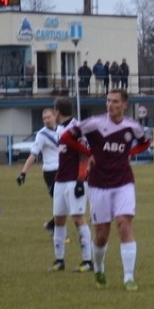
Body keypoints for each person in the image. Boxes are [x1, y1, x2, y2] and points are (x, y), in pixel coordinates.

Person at [60, 88, 151, 291]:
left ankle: (128, 277)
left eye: (115, 101)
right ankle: (99, 268)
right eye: (108, 101)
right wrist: (88, 152)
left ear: (124, 105)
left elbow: (145, 142)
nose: (111, 105)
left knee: (124, 225)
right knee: (102, 234)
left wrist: (130, 153)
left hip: (124, 182)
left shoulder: (132, 126)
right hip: (99, 184)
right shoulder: (94, 124)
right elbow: (66, 137)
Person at [25, 99, 94, 273]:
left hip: (74, 180)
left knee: (78, 218)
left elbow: (85, 155)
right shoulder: (60, 129)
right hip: (60, 179)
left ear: (57, 112)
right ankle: (59, 260)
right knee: (58, 219)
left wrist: (81, 179)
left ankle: (88, 261)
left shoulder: (77, 128)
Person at [16, 108, 61, 237]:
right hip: (50, 172)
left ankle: (52, 225)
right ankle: (57, 231)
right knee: (60, 202)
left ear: (55, 116)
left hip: (64, 170)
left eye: (49, 117)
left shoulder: (62, 130)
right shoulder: (41, 134)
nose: (46, 120)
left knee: (66, 202)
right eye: (44, 118)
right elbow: (33, 155)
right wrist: (23, 173)